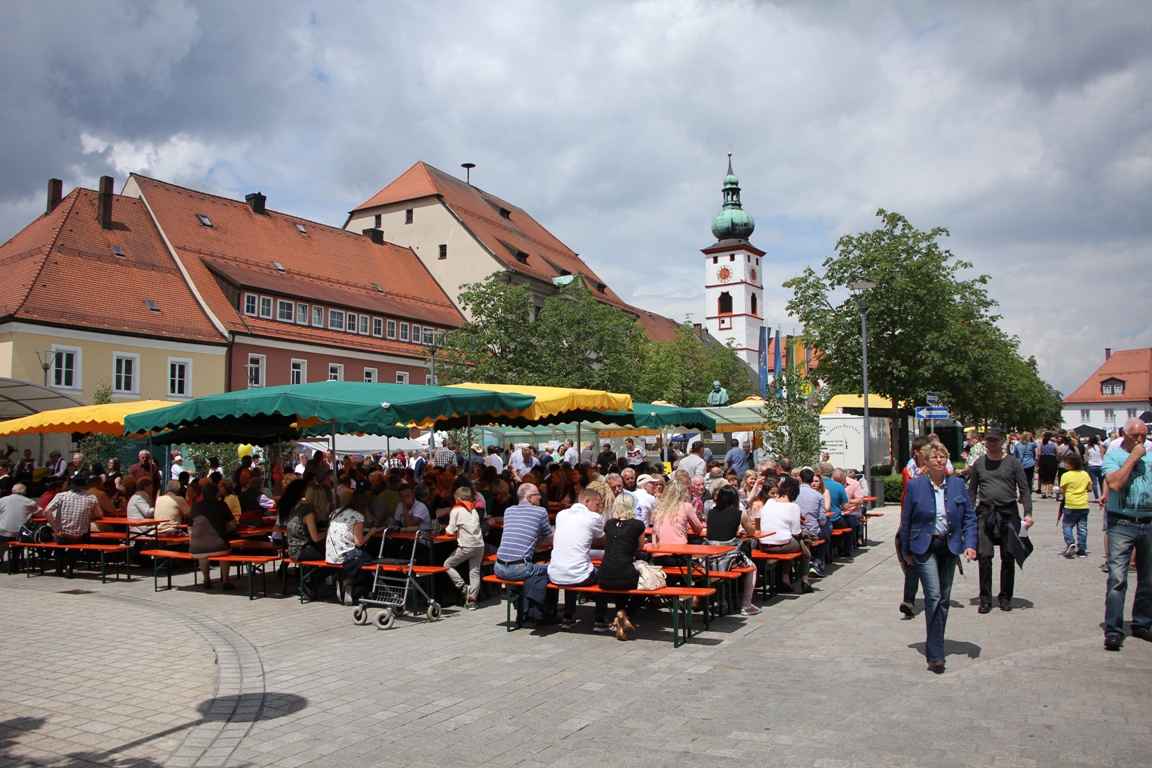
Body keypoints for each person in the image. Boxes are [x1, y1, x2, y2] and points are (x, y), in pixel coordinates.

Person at [900, 440, 978, 674]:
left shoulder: (957, 484)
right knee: (933, 596)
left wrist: (970, 543)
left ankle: (935, 641)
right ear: (926, 460)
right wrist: (906, 551)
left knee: (944, 598)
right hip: (924, 547)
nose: (939, 460)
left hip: (949, 546)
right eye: (934, 457)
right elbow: (907, 520)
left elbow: (969, 517)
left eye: (943, 456)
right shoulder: (915, 486)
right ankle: (936, 654)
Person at [968, 427, 1033, 613]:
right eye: (988, 440)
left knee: (1008, 555)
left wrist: (1028, 512)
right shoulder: (979, 463)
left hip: (1008, 512)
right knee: (985, 555)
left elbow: (1024, 489)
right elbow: (972, 491)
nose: (991, 443)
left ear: (1003, 441)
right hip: (985, 513)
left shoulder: (1013, 463)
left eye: (995, 440)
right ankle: (985, 599)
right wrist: (969, 514)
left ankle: (1005, 597)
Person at [1100, 418, 1152, 651]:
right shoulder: (1113, 456)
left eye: (1144, 435)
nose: (1140, 440)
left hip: (1148, 522)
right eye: (1135, 436)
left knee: (1148, 579)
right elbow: (1114, 484)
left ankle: (1142, 623)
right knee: (1117, 579)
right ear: (1124, 434)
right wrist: (1134, 457)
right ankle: (1113, 629)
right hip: (1121, 523)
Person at [548, 488, 610, 631]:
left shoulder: (561, 515)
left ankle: (568, 616)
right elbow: (603, 541)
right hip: (578, 575)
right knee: (603, 575)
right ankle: (600, 619)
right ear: (587, 501)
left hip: (555, 573)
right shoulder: (593, 517)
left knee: (573, 566)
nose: (598, 509)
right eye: (597, 504)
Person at [596, 492, 648, 640]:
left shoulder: (609, 524)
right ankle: (626, 614)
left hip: (604, 576)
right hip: (624, 575)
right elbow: (641, 546)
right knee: (646, 586)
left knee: (621, 576)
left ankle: (620, 613)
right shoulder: (638, 525)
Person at [705, 484, 763, 611]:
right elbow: (752, 532)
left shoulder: (711, 513)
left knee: (718, 572)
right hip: (728, 557)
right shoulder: (739, 514)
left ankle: (722, 602)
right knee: (752, 568)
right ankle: (746, 604)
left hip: (710, 557)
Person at [756, 476, 813, 594]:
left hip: (764, 543)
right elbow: (796, 532)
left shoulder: (769, 502)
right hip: (782, 544)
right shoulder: (793, 506)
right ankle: (805, 580)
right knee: (804, 542)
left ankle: (785, 579)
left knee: (788, 541)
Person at [326, 488, 378, 604]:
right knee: (370, 561)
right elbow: (359, 542)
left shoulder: (336, 511)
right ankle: (349, 582)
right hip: (345, 553)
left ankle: (348, 585)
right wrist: (371, 532)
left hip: (330, 553)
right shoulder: (357, 516)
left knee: (362, 560)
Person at [493, 484, 554, 582]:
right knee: (554, 569)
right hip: (520, 569)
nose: (540, 497)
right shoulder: (540, 512)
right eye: (537, 494)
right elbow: (549, 540)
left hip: (498, 568)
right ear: (529, 497)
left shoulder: (508, 511)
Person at [44, 470, 99, 577]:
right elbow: (98, 514)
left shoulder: (61, 496)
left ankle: (58, 569)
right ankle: (69, 567)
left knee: (58, 544)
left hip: (62, 534)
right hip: (78, 535)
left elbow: (47, 511)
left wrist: (55, 529)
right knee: (76, 543)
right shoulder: (91, 498)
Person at [188, 482, 238, 590]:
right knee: (225, 553)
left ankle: (206, 579)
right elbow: (233, 525)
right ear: (216, 494)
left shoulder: (195, 506)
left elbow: (190, 528)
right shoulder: (222, 505)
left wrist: (192, 540)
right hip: (219, 547)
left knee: (203, 555)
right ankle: (225, 581)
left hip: (196, 548)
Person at [443, 486, 484, 610]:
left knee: (447, 564)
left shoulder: (456, 510)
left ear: (458, 499)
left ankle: (462, 586)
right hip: (479, 545)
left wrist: (444, 528)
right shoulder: (474, 510)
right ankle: (472, 600)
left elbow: (450, 531)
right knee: (474, 573)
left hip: (466, 545)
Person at [1058, 452, 1092, 558]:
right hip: (1083, 504)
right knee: (1082, 528)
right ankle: (1082, 550)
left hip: (1070, 504)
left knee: (1067, 525)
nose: (1065, 464)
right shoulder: (1085, 474)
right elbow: (1090, 489)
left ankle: (1070, 542)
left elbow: (1061, 490)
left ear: (1072, 464)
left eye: (1066, 463)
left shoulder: (1066, 475)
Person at [796, 467, 829, 577]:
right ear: (811, 480)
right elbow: (822, 520)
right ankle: (816, 563)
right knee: (827, 538)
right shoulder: (818, 495)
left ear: (800, 478)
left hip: (795, 530)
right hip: (812, 531)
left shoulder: (793, 493)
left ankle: (794, 565)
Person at [651, 481, 703, 547]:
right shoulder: (686, 506)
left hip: (660, 548)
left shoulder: (660, 506)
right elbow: (698, 529)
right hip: (679, 549)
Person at [0, 483, 40, 563]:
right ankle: (14, 562)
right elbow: (40, 512)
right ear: (25, 492)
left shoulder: (2, 500)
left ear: (12, 491)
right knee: (18, 540)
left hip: (3, 532)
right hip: (21, 534)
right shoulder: (29, 502)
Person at [1037, 433, 1059, 498]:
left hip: (1043, 460)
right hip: (1052, 460)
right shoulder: (1054, 444)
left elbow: (1039, 454)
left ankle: (1044, 491)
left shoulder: (1041, 444)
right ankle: (1049, 493)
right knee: (1051, 477)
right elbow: (1057, 453)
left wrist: (1038, 463)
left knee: (1044, 477)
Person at [1085, 435, 1105, 501]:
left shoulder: (1088, 448)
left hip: (1092, 465)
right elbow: (1102, 457)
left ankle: (1096, 497)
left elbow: (1087, 459)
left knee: (1094, 482)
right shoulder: (1100, 447)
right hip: (1100, 465)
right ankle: (1103, 495)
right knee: (1101, 482)